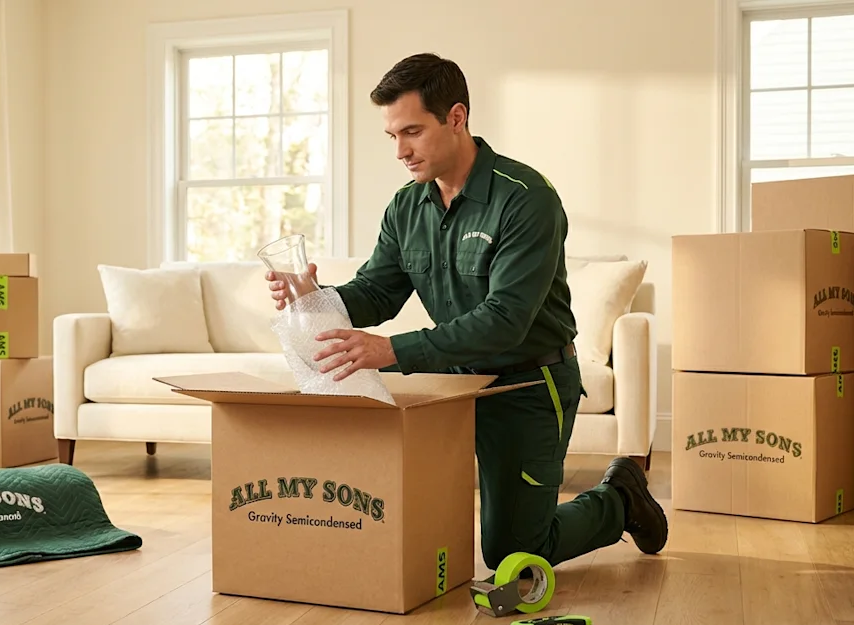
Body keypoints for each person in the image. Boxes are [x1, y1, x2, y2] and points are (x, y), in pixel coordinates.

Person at [264, 53, 668, 573]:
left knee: (516, 556)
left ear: (456, 117)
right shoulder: (406, 206)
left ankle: (619, 499)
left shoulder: (526, 200)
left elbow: (505, 319)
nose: (400, 151)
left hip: (527, 383)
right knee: (414, 508)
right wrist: (316, 295)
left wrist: (391, 351)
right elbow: (379, 291)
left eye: (412, 131)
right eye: (392, 136)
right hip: (451, 385)